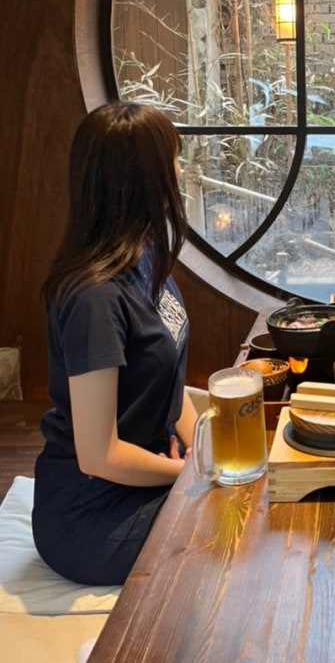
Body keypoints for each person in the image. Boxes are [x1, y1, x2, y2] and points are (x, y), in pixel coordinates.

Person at [32, 101, 197, 585]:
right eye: (172, 158)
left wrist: (208, 449)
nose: (179, 170)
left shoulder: (144, 254)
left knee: (247, 497)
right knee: (232, 525)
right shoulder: (95, 297)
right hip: (89, 514)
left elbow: (170, 379)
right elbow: (98, 454)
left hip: (145, 474)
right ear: (143, 179)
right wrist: (193, 475)